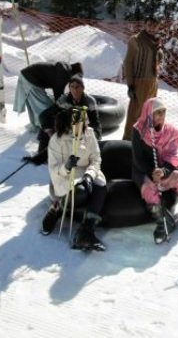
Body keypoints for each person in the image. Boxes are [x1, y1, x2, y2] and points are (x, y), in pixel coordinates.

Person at [131, 97, 178, 244]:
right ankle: (163, 220)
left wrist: (164, 171)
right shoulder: (138, 130)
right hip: (145, 171)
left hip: (166, 168)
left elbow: (173, 156)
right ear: (148, 113)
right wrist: (151, 172)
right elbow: (138, 159)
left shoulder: (171, 132)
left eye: (163, 112)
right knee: (149, 191)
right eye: (157, 112)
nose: (161, 116)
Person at [41, 107, 107, 251]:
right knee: (81, 191)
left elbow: (96, 158)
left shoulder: (89, 134)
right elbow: (53, 169)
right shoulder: (57, 140)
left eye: (85, 123)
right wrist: (66, 167)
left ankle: (86, 232)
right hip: (66, 176)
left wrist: (90, 174)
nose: (84, 126)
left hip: (87, 171)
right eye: (79, 123)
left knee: (100, 187)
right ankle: (57, 207)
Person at [23, 74, 101, 165]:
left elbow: (96, 122)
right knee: (47, 130)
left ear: (82, 88)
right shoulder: (64, 99)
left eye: (78, 87)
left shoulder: (90, 101)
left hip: (82, 129)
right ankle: (43, 155)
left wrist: (94, 136)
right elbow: (44, 115)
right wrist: (50, 132)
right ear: (69, 88)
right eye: (72, 87)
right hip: (67, 127)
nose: (75, 90)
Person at [122, 17, 163, 140]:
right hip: (139, 82)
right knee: (135, 115)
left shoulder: (156, 41)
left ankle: (144, 142)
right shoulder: (135, 40)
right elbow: (128, 62)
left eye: (154, 25)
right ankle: (128, 142)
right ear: (145, 24)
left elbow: (156, 60)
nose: (151, 28)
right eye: (149, 24)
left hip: (153, 82)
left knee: (149, 114)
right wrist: (130, 85)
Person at [13, 61, 83, 130]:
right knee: (44, 106)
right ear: (74, 74)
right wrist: (63, 110)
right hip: (30, 79)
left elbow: (59, 92)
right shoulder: (63, 75)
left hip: (28, 76)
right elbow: (58, 96)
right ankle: (45, 126)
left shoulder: (65, 69)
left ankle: (40, 124)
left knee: (37, 104)